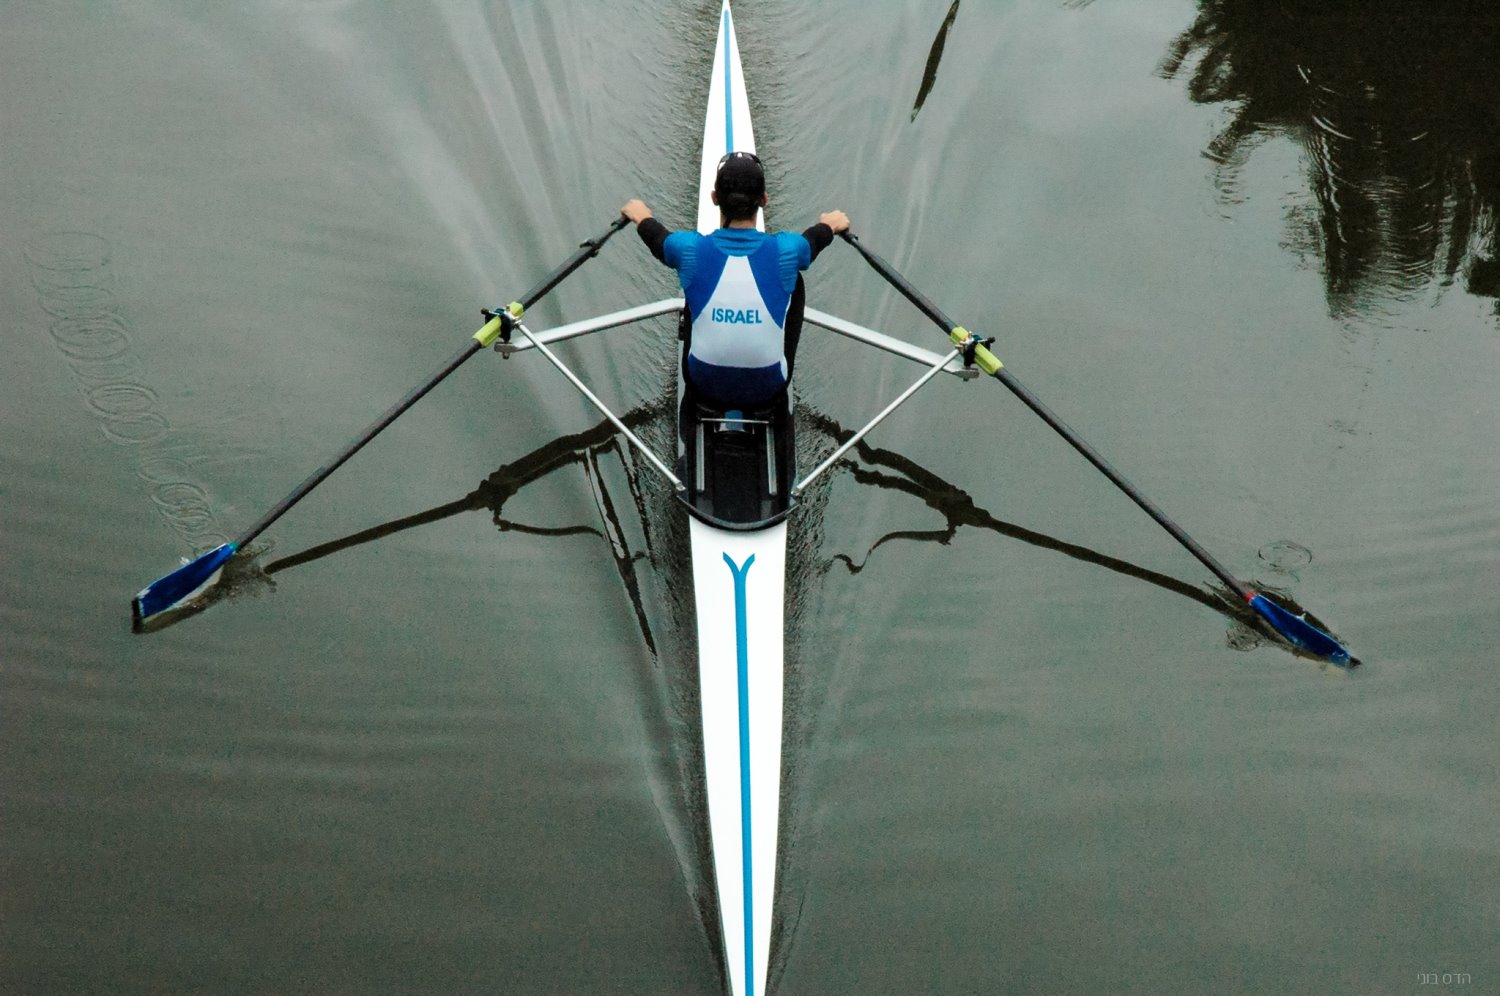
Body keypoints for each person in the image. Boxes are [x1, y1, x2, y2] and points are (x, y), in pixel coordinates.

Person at [621, 152, 849, 412]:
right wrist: (831, 224)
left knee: (692, 281)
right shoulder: (788, 250)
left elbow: (657, 239)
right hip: (768, 391)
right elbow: (815, 239)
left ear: (714, 198)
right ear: (763, 200)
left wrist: (640, 215)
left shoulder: (688, 249)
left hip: (703, 386)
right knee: (793, 278)